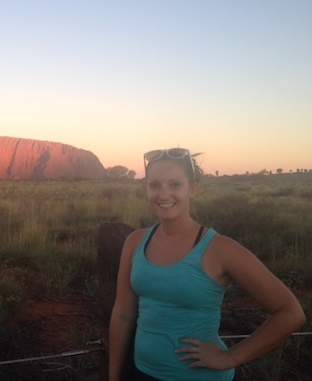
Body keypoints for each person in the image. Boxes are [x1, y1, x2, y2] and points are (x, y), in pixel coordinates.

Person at [108, 148, 306, 381]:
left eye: (175, 184)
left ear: (193, 189)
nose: (163, 194)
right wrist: (114, 376)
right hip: (141, 373)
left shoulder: (220, 250)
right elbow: (123, 315)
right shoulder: (135, 242)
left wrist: (230, 357)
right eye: (155, 185)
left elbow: (291, 313)